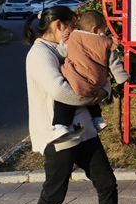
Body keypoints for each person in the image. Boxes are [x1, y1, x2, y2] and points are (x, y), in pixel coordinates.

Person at [23, 6, 136, 204]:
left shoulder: (67, 46)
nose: (76, 30)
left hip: (84, 131)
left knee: (106, 182)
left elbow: (99, 70)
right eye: (72, 25)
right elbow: (61, 91)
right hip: (60, 136)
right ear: (58, 25)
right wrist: (95, 95)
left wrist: (103, 89)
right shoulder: (39, 54)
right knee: (55, 192)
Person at [53, 10, 129, 141]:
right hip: (96, 80)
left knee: (63, 101)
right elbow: (114, 64)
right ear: (94, 29)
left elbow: (61, 53)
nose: (104, 33)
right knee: (93, 94)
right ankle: (98, 119)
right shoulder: (106, 43)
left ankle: (60, 125)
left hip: (75, 79)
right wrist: (122, 78)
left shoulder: (73, 37)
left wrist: (61, 49)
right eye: (103, 29)